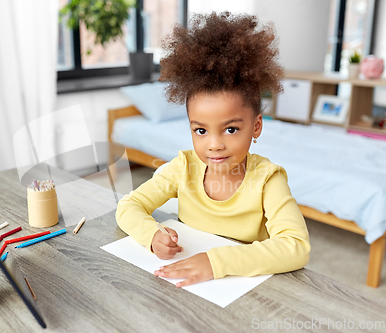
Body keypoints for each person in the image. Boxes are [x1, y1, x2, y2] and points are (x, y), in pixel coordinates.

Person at [116, 12, 310, 288]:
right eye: (201, 130)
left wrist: (216, 262)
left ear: (256, 127)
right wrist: (150, 234)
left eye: (230, 129)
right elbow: (128, 205)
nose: (214, 144)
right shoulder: (183, 167)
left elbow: (297, 247)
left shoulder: (269, 179)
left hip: (243, 288)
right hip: (185, 285)